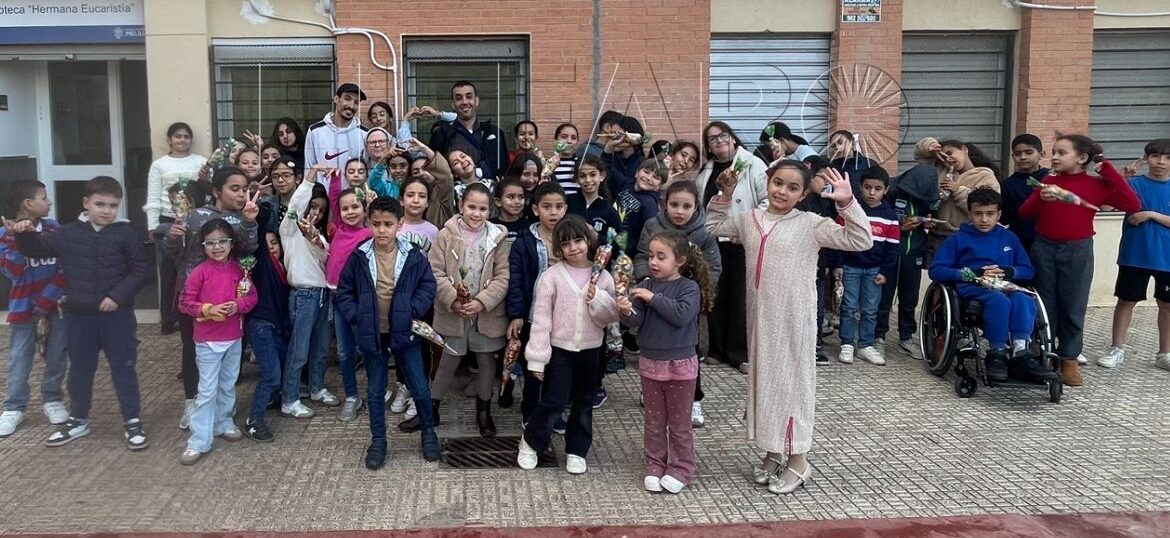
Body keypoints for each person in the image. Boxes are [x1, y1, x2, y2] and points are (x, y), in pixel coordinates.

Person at [705, 161, 872, 495]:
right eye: (777, 183)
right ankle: (773, 451)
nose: (782, 191)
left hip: (795, 320)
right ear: (768, 183)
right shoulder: (750, 219)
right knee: (766, 382)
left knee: (793, 384)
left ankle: (799, 459)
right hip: (760, 318)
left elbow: (861, 239)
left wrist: (847, 202)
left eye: (792, 187)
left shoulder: (811, 224)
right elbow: (711, 227)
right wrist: (724, 193)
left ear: (802, 194)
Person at [9, 177, 150, 449]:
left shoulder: (126, 233)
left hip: (117, 317)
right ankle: (78, 419)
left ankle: (132, 420)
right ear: (86, 203)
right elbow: (36, 249)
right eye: (100, 204)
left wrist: (116, 296)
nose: (107, 210)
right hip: (80, 316)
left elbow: (139, 271)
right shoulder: (68, 233)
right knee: (80, 370)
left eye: (113, 205)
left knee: (124, 367)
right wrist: (23, 233)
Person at [1019, 134, 1141, 386]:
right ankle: (1044, 353)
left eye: (1062, 153)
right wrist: (1040, 197)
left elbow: (1132, 202)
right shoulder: (1048, 180)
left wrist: (1107, 169)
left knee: (1073, 304)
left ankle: (1069, 359)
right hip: (1044, 248)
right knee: (1045, 303)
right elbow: (1024, 213)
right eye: (1053, 151)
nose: (1054, 157)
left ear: (1082, 158)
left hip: (1078, 249)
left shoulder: (1094, 184)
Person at [336, 197, 442, 468]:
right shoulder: (360, 255)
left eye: (388, 224)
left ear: (400, 224)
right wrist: (356, 317)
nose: (382, 230)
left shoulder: (413, 255)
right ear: (368, 223)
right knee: (374, 389)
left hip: (405, 332)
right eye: (376, 224)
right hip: (373, 333)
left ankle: (429, 433)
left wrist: (412, 310)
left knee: (418, 384)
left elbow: (428, 287)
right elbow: (345, 291)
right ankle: (379, 440)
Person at [516, 215, 619, 475]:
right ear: (558, 249)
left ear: (588, 241)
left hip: (591, 349)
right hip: (560, 351)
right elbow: (541, 320)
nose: (574, 247)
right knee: (553, 401)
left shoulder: (603, 277)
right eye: (566, 243)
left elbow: (609, 316)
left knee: (584, 403)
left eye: (578, 240)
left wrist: (598, 299)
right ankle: (531, 442)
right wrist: (537, 358)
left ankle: (577, 449)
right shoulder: (551, 277)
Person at [618, 229, 713, 493]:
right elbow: (636, 320)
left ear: (680, 260)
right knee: (654, 421)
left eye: (661, 257)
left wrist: (653, 298)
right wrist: (626, 311)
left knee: (680, 424)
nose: (654, 262)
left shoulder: (688, 288)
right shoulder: (646, 285)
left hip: (681, 367)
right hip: (651, 364)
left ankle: (681, 468)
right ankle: (654, 464)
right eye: (651, 256)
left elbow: (681, 315)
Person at [928, 188, 1055, 383]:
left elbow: (1028, 270)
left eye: (990, 214)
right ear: (970, 214)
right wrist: (971, 274)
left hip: (1004, 284)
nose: (984, 219)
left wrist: (1009, 271)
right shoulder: (958, 239)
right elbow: (936, 270)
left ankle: (1021, 351)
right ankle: (997, 353)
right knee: (998, 301)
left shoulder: (1009, 238)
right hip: (973, 287)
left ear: (999, 214)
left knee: (1024, 298)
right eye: (978, 214)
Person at [166, 167, 261, 430]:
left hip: (229, 300)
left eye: (244, 189)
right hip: (194, 298)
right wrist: (171, 239)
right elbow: (177, 252)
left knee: (230, 357)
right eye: (235, 189)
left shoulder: (242, 217)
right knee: (192, 352)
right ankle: (192, 405)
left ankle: (222, 412)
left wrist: (250, 223)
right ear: (217, 191)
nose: (241, 194)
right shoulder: (196, 216)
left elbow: (249, 249)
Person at [634, 180, 721, 426]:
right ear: (665, 204)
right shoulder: (653, 225)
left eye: (686, 206)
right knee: (654, 346)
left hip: (685, 299)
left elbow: (714, 266)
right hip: (655, 293)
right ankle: (652, 388)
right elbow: (641, 255)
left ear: (697, 207)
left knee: (688, 353)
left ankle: (693, 398)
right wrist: (646, 279)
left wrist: (701, 292)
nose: (679, 211)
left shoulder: (704, 230)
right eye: (674, 204)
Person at [426, 183, 510, 438]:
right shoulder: (446, 234)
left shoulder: (498, 237)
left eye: (483, 209)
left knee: (486, 362)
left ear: (489, 210)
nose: (476, 213)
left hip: (485, 313)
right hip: (454, 312)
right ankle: (431, 406)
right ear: (461, 206)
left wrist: (483, 301)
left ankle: (484, 410)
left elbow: (503, 276)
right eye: (471, 207)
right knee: (448, 360)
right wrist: (452, 299)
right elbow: (435, 271)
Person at [176, 219, 258, 465]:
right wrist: (208, 309)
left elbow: (251, 298)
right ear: (203, 246)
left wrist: (238, 305)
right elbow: (185, 303)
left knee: (227, 383)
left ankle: (224, 422)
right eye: (211, 243)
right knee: (207, 390)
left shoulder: (239, 270)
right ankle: (199, 439)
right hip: (208, 340)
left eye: (222, 241)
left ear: (231, 244)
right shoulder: (199, 272)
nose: (217, 247)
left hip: (233, 337)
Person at [695, 121, 767, 374]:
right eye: (712, 139)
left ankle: (739, 352)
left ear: (733, 138)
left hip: (741, 241)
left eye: (722, 135)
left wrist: (748, 227)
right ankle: (716, 348)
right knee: (714, 295)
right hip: (712, 241)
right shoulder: (706, 170)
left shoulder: (753, 164)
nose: (718, 141)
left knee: (740, 297)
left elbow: (768, 200)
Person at [0, 181, 68, 437]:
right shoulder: (3, 235)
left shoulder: (53, 228)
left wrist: (47, 300)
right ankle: (14, 407)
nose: (48, 202)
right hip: (23, 308)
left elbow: (65, 267)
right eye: (44, 197)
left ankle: (52, 398)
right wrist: (15, 238)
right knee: (19, 358)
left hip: (56, 305)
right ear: (29, 204)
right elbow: (12, 271)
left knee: (57, 354)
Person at [1098, 138, 1170, 370]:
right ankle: (1117, 348)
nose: (1160, 162)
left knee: (1167, 305)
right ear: (1146, 158)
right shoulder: (1134, 184)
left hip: (1166, 258)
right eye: (1155, 156)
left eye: (1167, 158)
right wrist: (1122, 179)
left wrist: (1150, 214)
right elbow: (1106, 207)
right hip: (1134, 255)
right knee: (1126, 302)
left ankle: (1165, 353)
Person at [279, 162, 341, 417]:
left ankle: (317, 387)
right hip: (303, 295)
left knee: (321, 347)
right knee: (299, 349)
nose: (316, 212)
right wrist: (311, 176)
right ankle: (290, 398)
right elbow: (294, 206)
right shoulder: (290, 229)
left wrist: (317, 240)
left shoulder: (320, 236)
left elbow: (329, 261)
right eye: (313, 206)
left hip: (323, 295)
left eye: (321, 209)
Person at [504, 182, 568, 421]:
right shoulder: (524, 241)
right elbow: (516, 280)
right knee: (534, 366)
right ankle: (529, 413)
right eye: (547, 207)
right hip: (534, 316)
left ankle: (553, 413)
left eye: (559, 207)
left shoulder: (573, 238)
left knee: (558, 368)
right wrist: (517, 314)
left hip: (564, 316)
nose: (553, 212)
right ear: (535, 209)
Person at [876, 138, 941, 357]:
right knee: (884, 296)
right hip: (889, 253)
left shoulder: (930, 192)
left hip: (914, 252)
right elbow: (879, 218)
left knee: (910, 297)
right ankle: (878, 337)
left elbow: (936, 214)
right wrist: (899, 226)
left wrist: (927, 222)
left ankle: (906, 337)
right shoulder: (892, 190)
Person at [568, 154, 623, 407]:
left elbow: (619, 245)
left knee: (596, 329)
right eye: (582, 175)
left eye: (593, 174)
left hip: (598, 278)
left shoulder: (610, 212)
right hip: (570, 274)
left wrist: (596, 239)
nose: (588, 180)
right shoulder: (569, 204)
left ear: (601, 176)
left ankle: (596, 382)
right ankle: (572, 381)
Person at [831, 167, 899, 365]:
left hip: (875, 270)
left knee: (870, 309)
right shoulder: (850, 210)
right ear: (859, 188)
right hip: (850, 267)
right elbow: (836, 237)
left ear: (885, 190)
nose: (872, 192)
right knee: (849, 306)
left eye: (877, 188)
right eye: (867, 187)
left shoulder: (890, 215)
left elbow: (893, 248)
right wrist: (838, 265)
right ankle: (847, 344)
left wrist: (885, 272)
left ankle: (866, 345)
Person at [145, 122, 206, 334]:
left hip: (194, 218)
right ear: (170, 140)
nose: (182, 140)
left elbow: (205, 190)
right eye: (178, 136)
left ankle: (189, 311)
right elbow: (153, 197)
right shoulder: (159, 165)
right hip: (167, 219)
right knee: (168, 270)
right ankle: (168, 318)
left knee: (191, 267)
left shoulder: (201, 162)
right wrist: (152, 226)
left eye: (186, 136)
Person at [241, 210, 290, 443]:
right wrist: (260, 217)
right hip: (261, 325)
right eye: (267, 243)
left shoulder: (282, 269)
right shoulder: (263, 267)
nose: (271, 247)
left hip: (276, 327)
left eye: (275, 243)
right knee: (271, 376)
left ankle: (271, 399)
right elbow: (260, 245)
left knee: (277, 371)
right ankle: (253, 420)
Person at [327, 187, 373, 422]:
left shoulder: (368, 234)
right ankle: (352, 396)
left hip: (358, 300)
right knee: (344, 353)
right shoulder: (336, 231)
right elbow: (333, 198)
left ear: (364, 209)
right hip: (337, 300)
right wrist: (334, 179)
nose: (350, 211)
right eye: (345, 208)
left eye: (355, 206)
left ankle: (377, 390)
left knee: (367, 348)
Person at [795, 157, 838, 364]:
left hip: (819, 268)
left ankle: (815, 344)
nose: (826, 182)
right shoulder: (796, 202)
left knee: (817, 308)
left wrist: (835, 265)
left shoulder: (826, 201)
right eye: (823, 177)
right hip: (795, 268)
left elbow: (834, 235)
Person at [427, 81, 509, 180]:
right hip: (455, 193)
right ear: (453, 104)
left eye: (469, 97)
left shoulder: (494, 133)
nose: (464, 102)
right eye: (458, 98)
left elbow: (504, 168)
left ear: (477, 101)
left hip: (490, 191)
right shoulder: (441, 134)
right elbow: (435, 170)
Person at [930, 140, 1001, 251]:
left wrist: (958, 190)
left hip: (970, 236)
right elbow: (920, 156)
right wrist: (930, 146)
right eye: (943, 158)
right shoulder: (942, 174)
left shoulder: (984, 175)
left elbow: (986, 206)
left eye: (949, 153)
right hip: (939, 236)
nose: (948, 159)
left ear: (964, 149)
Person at [304, 83, 370, 186]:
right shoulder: (315, 131)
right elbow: (309, 168)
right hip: (324, 198)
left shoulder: (364, 133)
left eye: (356, 102)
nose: (351, 106)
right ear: (336, 99)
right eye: (347, 99)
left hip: (354, 199)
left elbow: (368, 169)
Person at [1001, 134, 1048, 254]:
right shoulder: (1008, 184)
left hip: (1049, 241)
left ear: (1041, 154)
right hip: (1021, 242)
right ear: (1012, 156)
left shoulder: (1051, 178)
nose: (1023, 157)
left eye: (1028, 152)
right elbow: (1003, 217)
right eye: (1018, 154)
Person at [602, 115, 646, 197]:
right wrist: (607, 150)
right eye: (612, 134)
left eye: (618, 135)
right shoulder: (610, 159)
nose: (614, 139)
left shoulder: (643, 163)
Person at [399, 176, 440, 253]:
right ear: (401, 200)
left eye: (422, 196)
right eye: (410, 195)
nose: (416, 200)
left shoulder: (433, 231)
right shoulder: (393, 226)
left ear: (427, 202)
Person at [492, 176, 530, 246]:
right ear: (498, 201)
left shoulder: (529, 228)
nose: (517, 201)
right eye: (511, 197)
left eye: (521, 197)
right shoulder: (490, 226)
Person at [552, 123, 581, 196]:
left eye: (573, 138)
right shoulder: (548, 164)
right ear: (555, 140)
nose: (569, 141)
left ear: (577, 143)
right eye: (564, 137)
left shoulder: (581, 163)